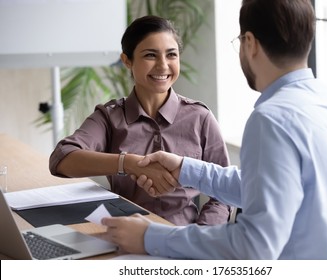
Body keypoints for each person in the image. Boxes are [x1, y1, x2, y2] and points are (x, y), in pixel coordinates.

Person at [101, 0, 327, 259]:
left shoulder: (272, 119)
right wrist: (186, 170)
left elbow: (254, 245)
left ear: (250, 43)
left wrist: (150, 237)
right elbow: (268, 186)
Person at [49, 15, 231, 226]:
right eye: (150, 55)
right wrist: (129, 164)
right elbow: (61, 159)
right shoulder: (109, 117)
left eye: (171, 55)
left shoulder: (200, 117)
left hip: (186, 238)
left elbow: (224, 193)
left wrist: (200, 238)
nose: (163, 66)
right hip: (127, 236)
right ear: (127, 61)